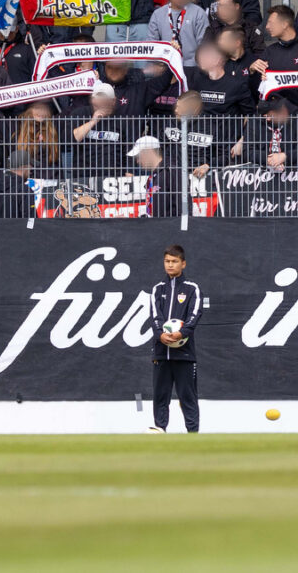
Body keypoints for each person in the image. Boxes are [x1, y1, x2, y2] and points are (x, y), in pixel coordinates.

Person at [148, 244, 202, 433]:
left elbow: (195, 315)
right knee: (160, 396)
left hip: (184, 354)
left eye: (174, 261)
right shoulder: (157, 289)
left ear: (183, 263)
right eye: (167, 261)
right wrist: (160, 334)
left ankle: (193, 433)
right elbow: (154, 315)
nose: (170, 265)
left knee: (188, 396)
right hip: (161, 352)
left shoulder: (192, 288)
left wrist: (182, 332)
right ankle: (160, 429)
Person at [148, 0, 209, 67]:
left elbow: (204, 44)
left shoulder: (198, 13)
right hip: (166, 66)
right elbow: (152, 44)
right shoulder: (158, 14)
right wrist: (161, 62)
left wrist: (191, 65)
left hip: (192, 67)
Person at [131, 136, 186, 219]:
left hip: (170, 228)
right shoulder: (154, 175)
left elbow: (184, 208)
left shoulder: (172, 170)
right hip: (157, 227)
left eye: (139, 156)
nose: (137, 161)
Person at [0, 150, 39, 220]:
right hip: (17, 230)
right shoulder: (25, 191)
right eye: (30, 165)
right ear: (23, 166)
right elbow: (31, 220)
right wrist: (32, 230)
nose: (31, 169)